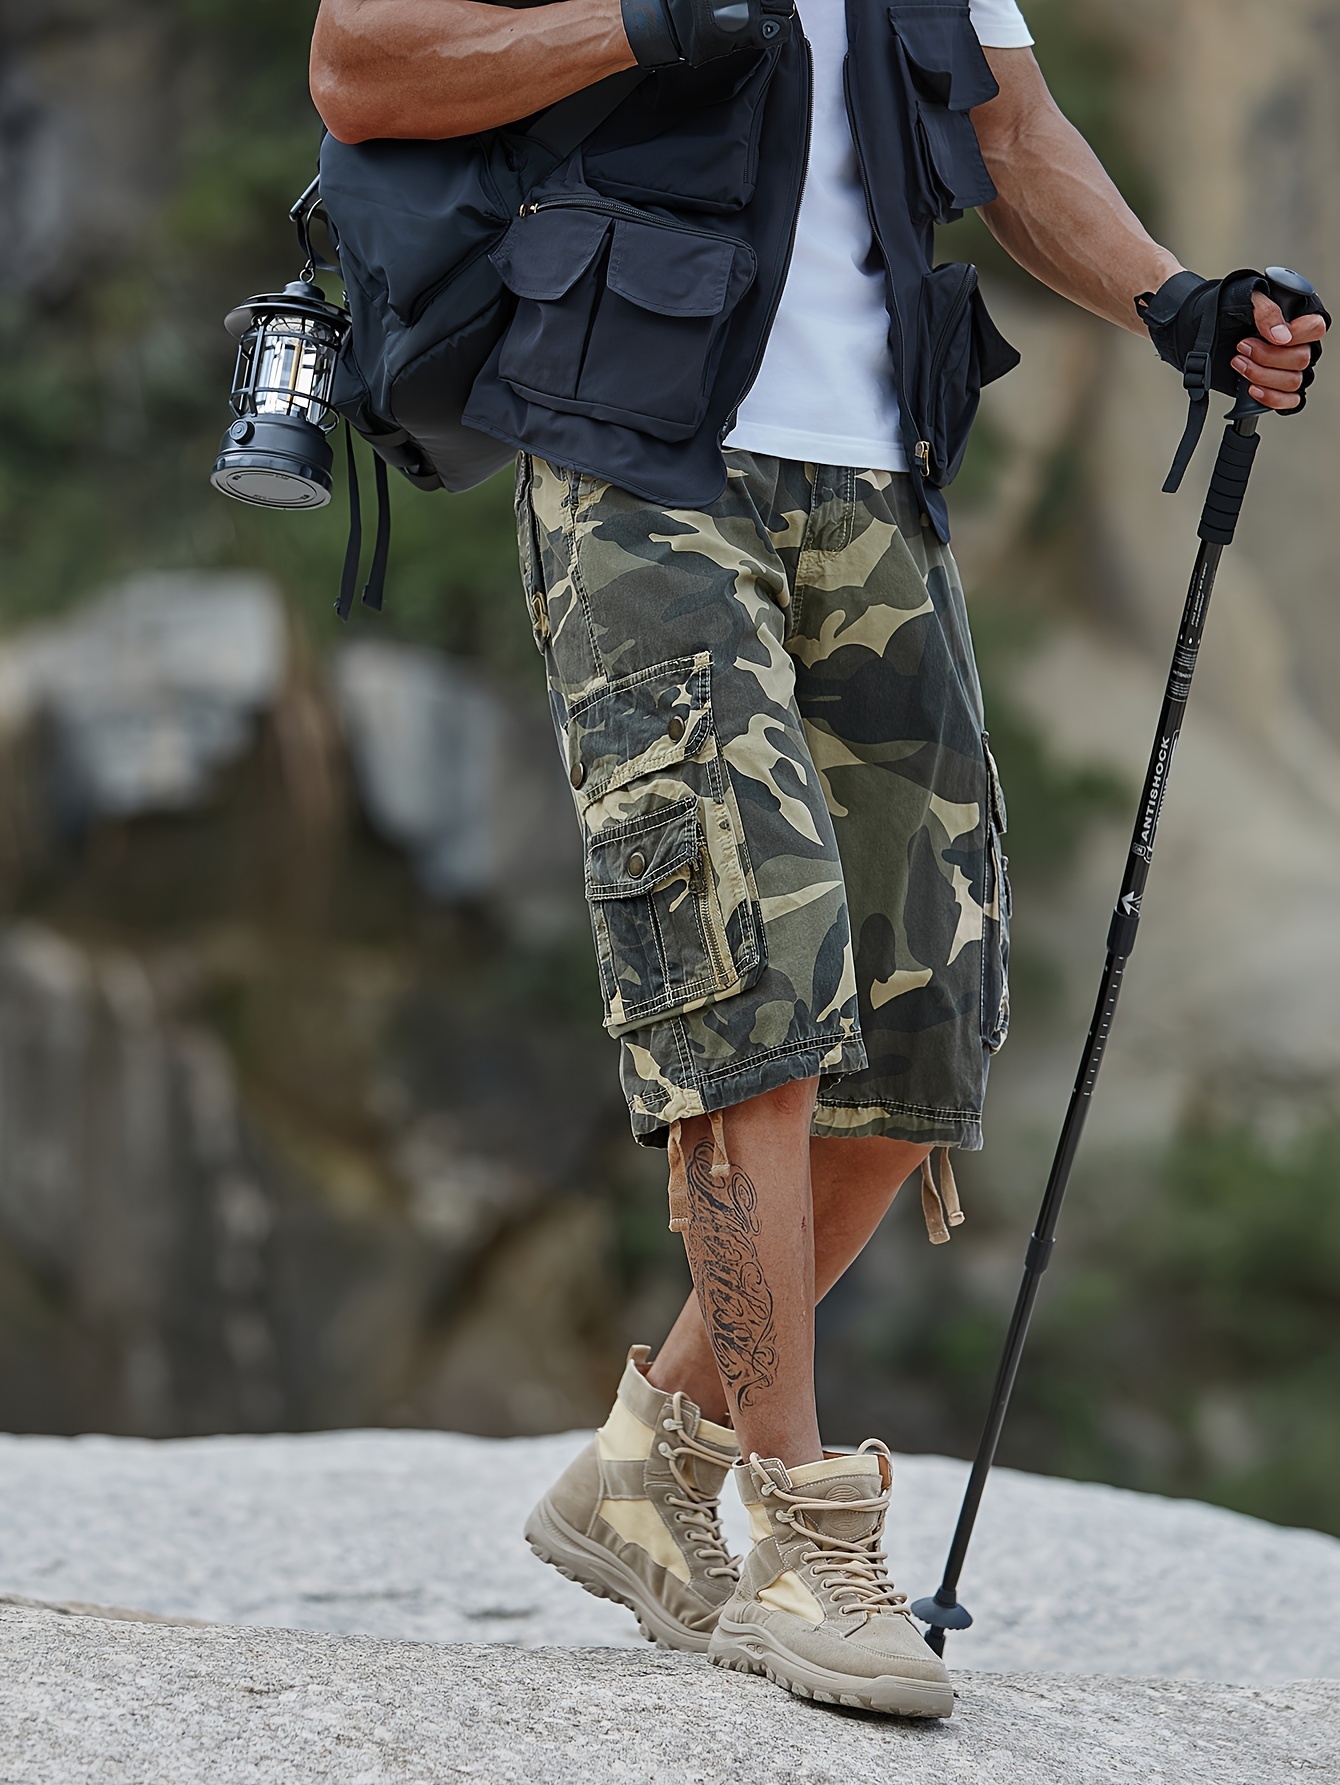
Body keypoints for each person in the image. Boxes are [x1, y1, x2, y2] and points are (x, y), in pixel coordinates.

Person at [310, 0, 1326, 1718]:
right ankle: (801, 1536)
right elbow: (361, 64)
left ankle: (648, 1469)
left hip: (876, 483)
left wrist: (1175, 302)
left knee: (925, 1024)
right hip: (636, 461)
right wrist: (644, 22)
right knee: (745, 975)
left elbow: (1014, 134)